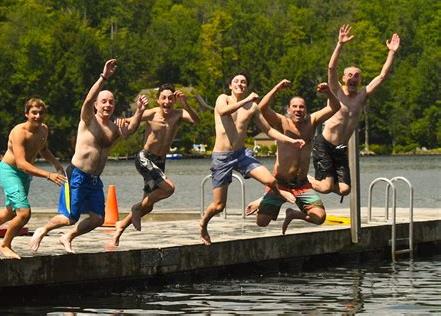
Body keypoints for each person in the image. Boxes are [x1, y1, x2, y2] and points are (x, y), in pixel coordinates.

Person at [30, 59, 148, 254]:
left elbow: (131, 130)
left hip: (94, 180)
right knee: (70, 217)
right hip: (77, 175)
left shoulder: (114, 127)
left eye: (111, 102)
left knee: (98, 218)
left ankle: (67, 237)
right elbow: (86, 101)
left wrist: (139, 111)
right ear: (96, 105)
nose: (108, 105)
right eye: (104, 101)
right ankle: (43, 230)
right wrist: (103, 77)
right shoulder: (88, 120)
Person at [199, 72, 305, 245]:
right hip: (222, 157)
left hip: (241, 154)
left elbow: (269, 130)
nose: (240, 84)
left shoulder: (253, 107)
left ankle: (279, 194)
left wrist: (291, 140)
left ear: (247, 86)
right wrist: (246, 99)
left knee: (270, 180)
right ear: (230, 85)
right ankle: (203, 224)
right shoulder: (223, 99)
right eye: (236, 81)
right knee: (219, 206)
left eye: (243, 82)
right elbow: (223, 111)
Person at [310, 24, 400, 196]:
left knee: (345, 190)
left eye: (357, 75)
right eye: (349, 75)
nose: (353, 78)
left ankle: (316, 181)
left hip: (340, 148)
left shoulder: (361, 96)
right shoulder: (336, 91)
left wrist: (392, 52)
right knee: (327, 188)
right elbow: (331, 68)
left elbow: (382, 76)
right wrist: (340, 44)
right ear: (343, 78)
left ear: (360, 80)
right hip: (325, 145)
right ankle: (302, 179)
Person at [0, 98, 67, 259]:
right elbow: (22, 163)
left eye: (41, 113)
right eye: (34, 113)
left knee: (11, 212)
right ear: (26, 114)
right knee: (24, 213)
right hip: (9, 171)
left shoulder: (44, 129)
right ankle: (5, 245)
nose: (38, 116)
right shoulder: (19, 132)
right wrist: (49, 175)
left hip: (24, 174)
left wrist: (56, 164)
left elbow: (43, 149)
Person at [245, 79, 340, 234]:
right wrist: (277, 87)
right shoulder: (281, 122)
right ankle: (263, 199)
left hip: (302, 184)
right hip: (280, 184)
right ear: (288, 110)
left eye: (301, 107)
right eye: (294, 107)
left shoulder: (312, 121)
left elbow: (335, 107)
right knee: (262, 222)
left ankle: (293, 213)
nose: (298, 110)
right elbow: (261, 108)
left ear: (306, 110)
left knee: (319, 218)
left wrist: (328, 92)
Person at [111, 83, 200, 246]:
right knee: (169, 188)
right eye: (163, 98)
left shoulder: (179, 114)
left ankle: (121, 225)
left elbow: (196, 120)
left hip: (160, 162)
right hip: (145, 158)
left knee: (149, 207)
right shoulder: (152, 113)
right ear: (158, 100)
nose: (167, 101)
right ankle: (136, 208)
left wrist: (185, 104)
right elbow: (130, 123)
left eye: (170, 98)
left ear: (174, 100)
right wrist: (123, 121)